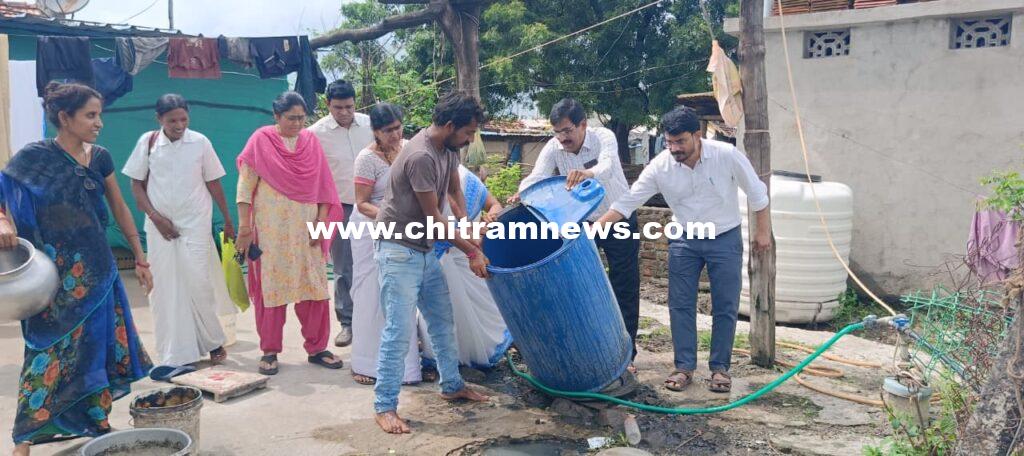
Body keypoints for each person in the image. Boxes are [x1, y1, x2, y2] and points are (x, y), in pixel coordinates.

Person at [0, 82, 153, 456]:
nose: (99, 122)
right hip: (52, 276)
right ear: (64, 118)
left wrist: (141, 257)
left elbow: (119, 209)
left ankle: (95, 420)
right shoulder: (33, 157)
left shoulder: (99, 157)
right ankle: (24, 439)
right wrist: (2, 223)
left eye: (99, 114)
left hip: (99, 271)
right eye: (90, 115)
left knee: (95, 349)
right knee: (45, 353)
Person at [594, 106, 772, 393]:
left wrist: (763, 234)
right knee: (680, 304)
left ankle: (719, 369)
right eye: (670, 142)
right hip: (684, 238)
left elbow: (757, 193)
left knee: (725, 305)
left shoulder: (726, 156)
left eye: (681, 142)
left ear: (696, 136)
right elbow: (627, 202)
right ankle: (684, 367)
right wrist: (594, 228)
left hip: (724, 237)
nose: (674, 148)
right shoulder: (660, 166)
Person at [373, 92, 490, 434]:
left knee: (442, 320)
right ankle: (384, 407)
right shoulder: (422, 154)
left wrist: (467, 222)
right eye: (468, 133)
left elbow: (454, 188)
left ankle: (451, 385)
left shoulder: (448, 148)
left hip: (423, 251)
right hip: (398, 249)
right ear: (451, 126)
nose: (470, 140)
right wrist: (471, 250)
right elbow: (433, 220)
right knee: (399, 330)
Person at [516, 98, 641, 373]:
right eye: (557, 132)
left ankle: (627, 355)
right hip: (583, 223)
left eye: (567, 131)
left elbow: (607, 166)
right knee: (581, 282)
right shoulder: (553, 147)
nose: (562, 138)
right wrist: (521, 193)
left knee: (624, 284)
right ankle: (589, 347)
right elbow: (537, 176)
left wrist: (588, 173)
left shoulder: (603, 137)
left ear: (583, 124)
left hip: (618, 216)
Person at [235, 91, 345, 376]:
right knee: (272, 291)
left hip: (307, 232)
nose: (297, 124)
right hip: (272, 232)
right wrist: (245, 228)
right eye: (291, 118)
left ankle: (317, 347)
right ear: (276, 116)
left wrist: (321, 225)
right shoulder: (260, 140)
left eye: (301, 118)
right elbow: (245, 188)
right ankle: (270, 350)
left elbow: (324, 188)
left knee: (315, 287)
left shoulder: (310, 141)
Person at [122, 94, 235, 368]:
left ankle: (213, 341)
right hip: (159, 227)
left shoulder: (200, 142)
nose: (179, 125)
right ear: (159, 119)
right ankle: (176, 351)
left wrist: (228, 220)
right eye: (172, 120)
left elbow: (214, 184)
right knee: (164, 287)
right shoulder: (148, 143)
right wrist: (155, 217)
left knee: (198, 282)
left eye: (183, 119)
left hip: (195, 223)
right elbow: (136, 186)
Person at [349, 103, 421, 386]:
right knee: (371, 294)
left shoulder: (408, 148)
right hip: (371, 228)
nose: (394, 134)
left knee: (401, 293)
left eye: (397, 127)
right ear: (376, 132)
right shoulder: (366, 159)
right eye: (387, 130)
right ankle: (365, 363)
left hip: (404, 227)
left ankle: (406, 367)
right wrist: (391, 218)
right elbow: (362, 203)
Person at [421, 164, 512, 370]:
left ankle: (477, 352)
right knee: (442, 310)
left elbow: (494, 204)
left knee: (478, 308)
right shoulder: (427, 178)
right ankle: (443, 361)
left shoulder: (467, 180)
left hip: (469, 254)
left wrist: (491, 219)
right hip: (442, 254)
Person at [309, 80, 373, 348]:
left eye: (349, 106)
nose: (344, 112)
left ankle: (374, 319)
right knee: (344, 266)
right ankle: (347, 322)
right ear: (328, 105)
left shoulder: (371, 125)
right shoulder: (315, 133)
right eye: (338, 107)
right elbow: (312, 175)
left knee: (378, 261)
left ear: (355, 103)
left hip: (375, 204)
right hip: (340, 207)